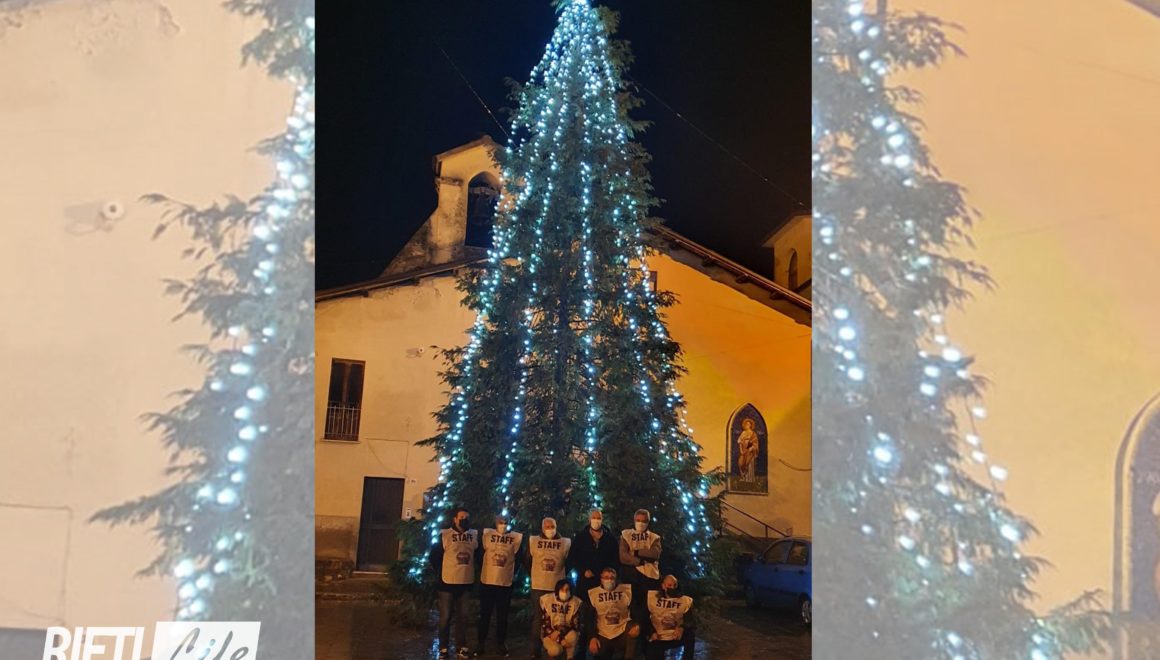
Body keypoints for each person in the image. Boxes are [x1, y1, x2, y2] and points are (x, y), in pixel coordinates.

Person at [429, 506, 478, 659]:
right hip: (447, 583)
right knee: (445, 617)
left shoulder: (474, 535)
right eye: (461, 517)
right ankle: (443, 647)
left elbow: (478, 555)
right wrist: (440, 571)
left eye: (466, 517)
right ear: (455, 519)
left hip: (465, 583)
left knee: (463, 617)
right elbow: (434, 556)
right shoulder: (445, 535)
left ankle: (461, 646)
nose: (464, 520)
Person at [570, 509, 619, 658]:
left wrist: (605, 573)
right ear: (589, 519)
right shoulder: (580, 537)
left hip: (603, 584)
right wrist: (582, 570)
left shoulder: (610, 539)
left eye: (599, 518)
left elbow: (615, 560)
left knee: (602, 615)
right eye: (594, 517)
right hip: (585, 584)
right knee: (585, 616)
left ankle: (601, 647)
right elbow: (573, 558)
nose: (596, 520)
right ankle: (582, 648)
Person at [477, 514, 523, 657]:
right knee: (484, 614)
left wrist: (512, 573)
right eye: (501, 522)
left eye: (506, 522)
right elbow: (480, 555)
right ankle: (480, 642)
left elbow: (518, 559)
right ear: (495, 523)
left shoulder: (515, 538)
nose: (503, 525)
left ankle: (500, 643)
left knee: (502, 616)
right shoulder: (487, 536)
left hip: (505, 583)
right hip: (487, 582)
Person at [528, 517, 572, 659]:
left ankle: (555, 649)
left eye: (552, 526)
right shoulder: (534, 541)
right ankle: (535, 651)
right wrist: (535, 574)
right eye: (547, 527)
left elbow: (569, 561)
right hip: (539, 586)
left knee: (559, 618)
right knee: (538, 619)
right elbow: (527, 560)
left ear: (556, 527)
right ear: (542, 528)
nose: (550, 529)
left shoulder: (565, 542)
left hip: (557, 587)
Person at [619, 509, 661, 630]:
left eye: (644, 521)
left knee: (646, 609)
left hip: (649, 577)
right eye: (638, 520)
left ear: (648, 522)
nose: (641, 523)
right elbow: (623, 556)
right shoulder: (626, 535)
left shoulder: (654, 537)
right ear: (634, 520)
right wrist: (640, 561)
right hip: (631, 575)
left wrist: (635, 552)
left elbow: (655, 554)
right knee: (632, 608)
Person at [587, 567, 639, 659]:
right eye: (606, 577)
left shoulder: (626, 591)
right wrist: (592, 637)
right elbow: (589, 618)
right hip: (603, 632)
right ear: (601, 578)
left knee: (634, 629)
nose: (609, 580)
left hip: (622, 629)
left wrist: (638, 625)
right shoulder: (593, 594)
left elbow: (636, 611)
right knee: (598, 651)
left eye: (612, 577)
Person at [645, 575, 695, 660]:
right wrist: (651, 632)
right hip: (658, 636)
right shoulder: (652, 599)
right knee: (652, 649)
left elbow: (690, 620)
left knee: (690, 635)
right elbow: (644, 618)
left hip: (676, 635)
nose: (672, 588)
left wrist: (682, 628)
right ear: (663, 586)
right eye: (669, 585)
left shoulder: (685, 601)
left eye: (675, 585)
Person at [539, 578, 582, 659]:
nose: (565, 592)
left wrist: (559, 632)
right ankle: (554, 654)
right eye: (562, 590)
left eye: (567, 590)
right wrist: (560, 640)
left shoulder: (575, 602)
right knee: (555, 650)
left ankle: (570, 657)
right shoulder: (548, 601)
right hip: (550, 634)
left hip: (565, 632)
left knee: (573, 635)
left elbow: (575, 625)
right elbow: (546, 625)